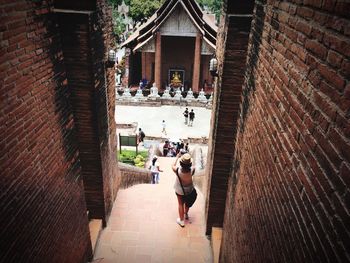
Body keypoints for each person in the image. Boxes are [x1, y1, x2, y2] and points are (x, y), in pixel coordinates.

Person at [172, 153, 195, 227]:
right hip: (189, 189)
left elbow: (172, 165)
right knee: (187, 202)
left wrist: (177, 157)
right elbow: (193, 165)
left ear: (181, 163)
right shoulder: (192, 170)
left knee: (180, 204)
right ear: (189, 164)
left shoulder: (177, 170)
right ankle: (186, 214)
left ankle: (181, 221)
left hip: (179, 190)